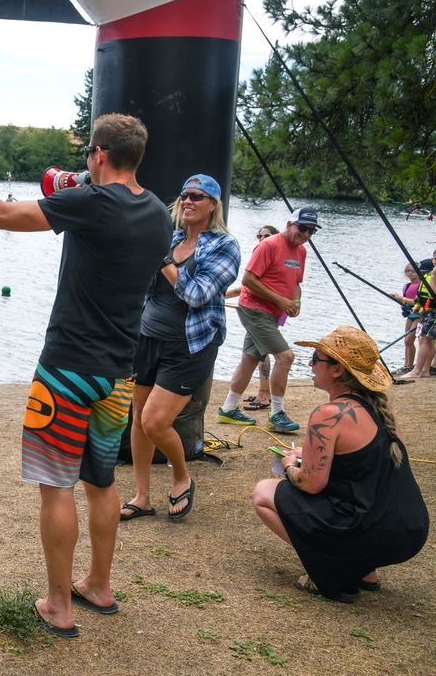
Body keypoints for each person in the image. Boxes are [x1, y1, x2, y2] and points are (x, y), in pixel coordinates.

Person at [0, 109, 171, 638]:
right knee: (101, 485)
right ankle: (99, 585)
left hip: (66, 371)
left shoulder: (91, 203)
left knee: (56, 488)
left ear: (99, 154)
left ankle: (59, 604)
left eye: (89, 155)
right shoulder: (156, 213)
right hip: (118, 376)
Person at [251, 326, 428, 601]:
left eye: (317, 359)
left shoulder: (329, 414)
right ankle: (366, 569)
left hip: (369, 528)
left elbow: (311, 484)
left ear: (337, 370)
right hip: (410, 531)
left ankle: (331, 569)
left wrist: (288, 464)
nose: (310, 364)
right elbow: (368, 467)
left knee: (264, 492)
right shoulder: (383, 411)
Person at [121, 175, 240, 522]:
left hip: (190, 344)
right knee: (138, 421)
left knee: (155, 421)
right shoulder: (171, 239)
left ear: (213, 205)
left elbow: (197, 295)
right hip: (149, 337)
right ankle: (142, 497)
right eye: (185, 195)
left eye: (198, 197)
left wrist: (164, 262)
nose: (188, 201)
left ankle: (181, 476)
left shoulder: (224, 246)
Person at [216, 208, 319, 433]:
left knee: (249, 360)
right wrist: (281, 300)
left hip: (272, 313)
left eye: (312, 230)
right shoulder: (268, 245)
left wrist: (295, 301)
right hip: (254, 309)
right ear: (290, 224)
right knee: (286, 357)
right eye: (303, 228)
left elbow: (296, 283)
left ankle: (228, 409)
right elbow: (249, 280)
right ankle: (277, 414)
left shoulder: (301, 251)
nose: (307, 234)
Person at [225, 225, 279, 411]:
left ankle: (264, 395)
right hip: (257, 310)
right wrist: (224, 294)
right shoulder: (262, 255)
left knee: (261, 351)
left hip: (264, 311)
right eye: (259, 235)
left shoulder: (272, 256)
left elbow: (255, 285)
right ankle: (262, 393)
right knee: (255, 351)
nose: (262, 238)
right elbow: (248, 286)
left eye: (267, 235)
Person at [399, 256, 435, 380]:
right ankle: (421, 369)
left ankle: (418, 370)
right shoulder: (425, 279)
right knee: (422, 340)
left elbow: (431, 295)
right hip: (421, 312)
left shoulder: (431, 277)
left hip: (429, 313)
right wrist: (418, 305)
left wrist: (401, 299)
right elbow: (421, 297)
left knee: (424, 339)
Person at [389, 262, 422, 374]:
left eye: (413, 271)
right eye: (408, 271)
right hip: (410, 315)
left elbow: (416, 301)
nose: (410, 273)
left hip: (419, 315)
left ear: (418, 272)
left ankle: (410, 366)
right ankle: (406, 365)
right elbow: (405, 301)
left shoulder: (421, 285)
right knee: (406, 341)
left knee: (410, 340)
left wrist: (401, 298)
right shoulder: (407, 286)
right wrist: (396, 298)